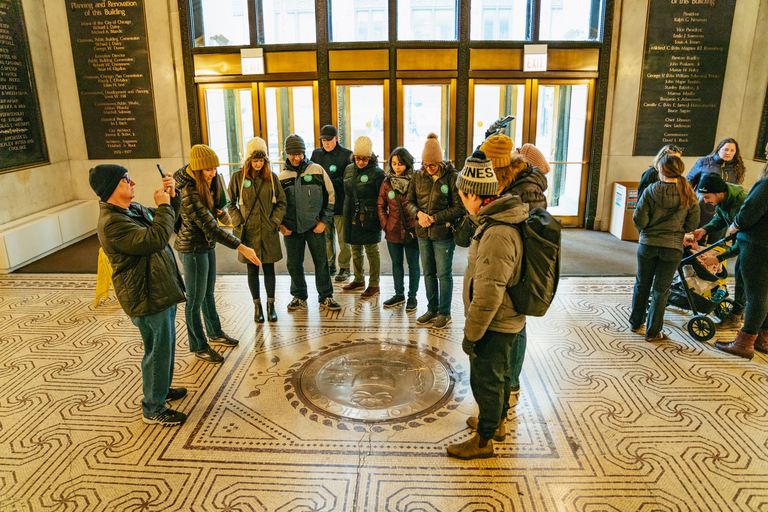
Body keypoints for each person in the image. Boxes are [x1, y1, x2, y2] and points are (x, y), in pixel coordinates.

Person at [446, 151, 529, 460]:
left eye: (462, 195)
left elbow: (489, 293)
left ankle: (484, 441)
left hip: (495, 321)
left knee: (487, 380)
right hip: (502, 318)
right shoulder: (495, 220)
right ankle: (493, 424)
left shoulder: (497, 233)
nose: (461, 202)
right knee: (499, 377)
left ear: (472, 195)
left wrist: (472, 334)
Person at [90, 164, 188, 426]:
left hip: (158, 288)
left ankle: (162, 391)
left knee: (164, 347)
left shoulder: (129, 210)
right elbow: (155, 240)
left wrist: (172, 197)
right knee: (156, 351)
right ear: (111, 188)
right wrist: (165, 207)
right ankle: (153, 408)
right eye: (125, 179)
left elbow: (165, 223)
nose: (132, 182)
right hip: (146, 295)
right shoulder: (113, 223)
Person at [175, 145, 261, 364]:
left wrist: (217, 213)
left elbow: (211, 218)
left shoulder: (206, 185)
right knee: (194, 301)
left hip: (205, 246)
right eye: (208, 169)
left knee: (208, 294)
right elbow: (210, 228)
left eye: (214, 168)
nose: (213, 173)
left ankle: (215, 333)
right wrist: (242, 247)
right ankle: (199, 345)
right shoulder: (189, 192)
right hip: (192, 249)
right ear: (197, 169)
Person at [629, 154, 700, 342]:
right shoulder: (688, 193)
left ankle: (636, 322)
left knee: (642, 284)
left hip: (648, 245)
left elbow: (639, 220)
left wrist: (648, 228)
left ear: (660, 169)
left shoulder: (651, 190)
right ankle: (653, 332)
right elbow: (691, 225)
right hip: (673, 247)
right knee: (661, 290)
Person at [406, 133, 465, 329]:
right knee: (428, 272)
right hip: (423, 232)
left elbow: (459, 207)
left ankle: (444, 312)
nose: (428, 169)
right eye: (425, 164)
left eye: (432, 165)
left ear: (440, 162)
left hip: (443, 233)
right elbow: (409, 202)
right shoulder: (417, 176)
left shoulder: (452, 177)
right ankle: (432, 309)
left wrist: (435, 218)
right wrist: (419, 214)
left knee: (443, 274)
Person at [278, 134, 342, 312]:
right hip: (291, 230)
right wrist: (280, 226)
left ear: (304, 152)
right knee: (293, 264)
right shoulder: (281, 177)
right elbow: (275, 205)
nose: (297, 158)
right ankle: (299, 296)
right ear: (287, 154)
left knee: (322, 262)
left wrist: (324, 221)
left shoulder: (317, 170)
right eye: (293, 154)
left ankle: (326, 296)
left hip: (315, 227)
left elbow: (330, 197)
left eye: (299, 153)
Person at [228, 137, 287, 323]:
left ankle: (271, 305)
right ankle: (257, 306)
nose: (259, 164)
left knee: (269, 268)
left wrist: (275, 222)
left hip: (268, 231)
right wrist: (238, 221)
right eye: (255, 160)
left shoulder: (271, 177)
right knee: (252, 270)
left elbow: (282, 202)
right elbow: (230, 202)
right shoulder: (238, 178)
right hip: (249, 232)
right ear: (248, 160)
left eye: (261, 160)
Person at [716, 155, 768, 359]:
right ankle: (763, 338)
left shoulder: (765, 185)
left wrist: (734, 225)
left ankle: (745, 342)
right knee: (765, 292)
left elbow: (748, 213)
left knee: (756, 294)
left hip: (758, 245)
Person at [687, 173, 746, 331]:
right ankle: (740, 313)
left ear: (719, 193)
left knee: (749, 282)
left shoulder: (741, 205)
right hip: (745, 244)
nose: (704, 201)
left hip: (755, 247)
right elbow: (720, 219)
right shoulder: (725, 200)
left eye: (707, 196)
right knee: (742, 278)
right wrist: (704, 230)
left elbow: (745, 242)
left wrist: (720, 258)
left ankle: (741, 319)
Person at [341, 136, 385, 298]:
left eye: (364, 159)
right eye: (358, 158)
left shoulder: (377, 174)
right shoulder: (349, 169)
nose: (360, 162)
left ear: (371, 157)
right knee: (355, 249)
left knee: (372, 250)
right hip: (351, 214)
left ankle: (374, 284)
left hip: (370, 216)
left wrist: (381, 218)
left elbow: (383, 198)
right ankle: (359, 279)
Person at [378, 147, 419, 311]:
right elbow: (381, 205)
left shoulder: (416, 181)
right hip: (393, 229)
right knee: (396, 264)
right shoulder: (387, 182)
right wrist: (385, 224)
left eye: (400, 164)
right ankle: (399, 294)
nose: (397, 167)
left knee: (413, 264)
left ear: (407, 164)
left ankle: (413, 296)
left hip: (412, 230)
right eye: (394, 163)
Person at [310, 125, 353, 281]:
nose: (326, 143)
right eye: (323, 141)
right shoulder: (316, 154)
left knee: (343, 238)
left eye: (328, 140)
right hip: (323, 205)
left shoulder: (347, 155)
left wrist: (328, 182)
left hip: (341, 203)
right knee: (326, 237)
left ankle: (344, 267)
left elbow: (348, 180)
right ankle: (330, 265)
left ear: (336, 138)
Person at [687, 138, 746, 237]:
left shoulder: (737, 167)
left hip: (722, 210)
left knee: (716, 240)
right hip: (702, 206)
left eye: (732, 150)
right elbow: (689, 181)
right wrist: (691, 200)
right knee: (696, 235)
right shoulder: (704, 162)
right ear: (719, 150)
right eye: (726, 149)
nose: (728, 152)